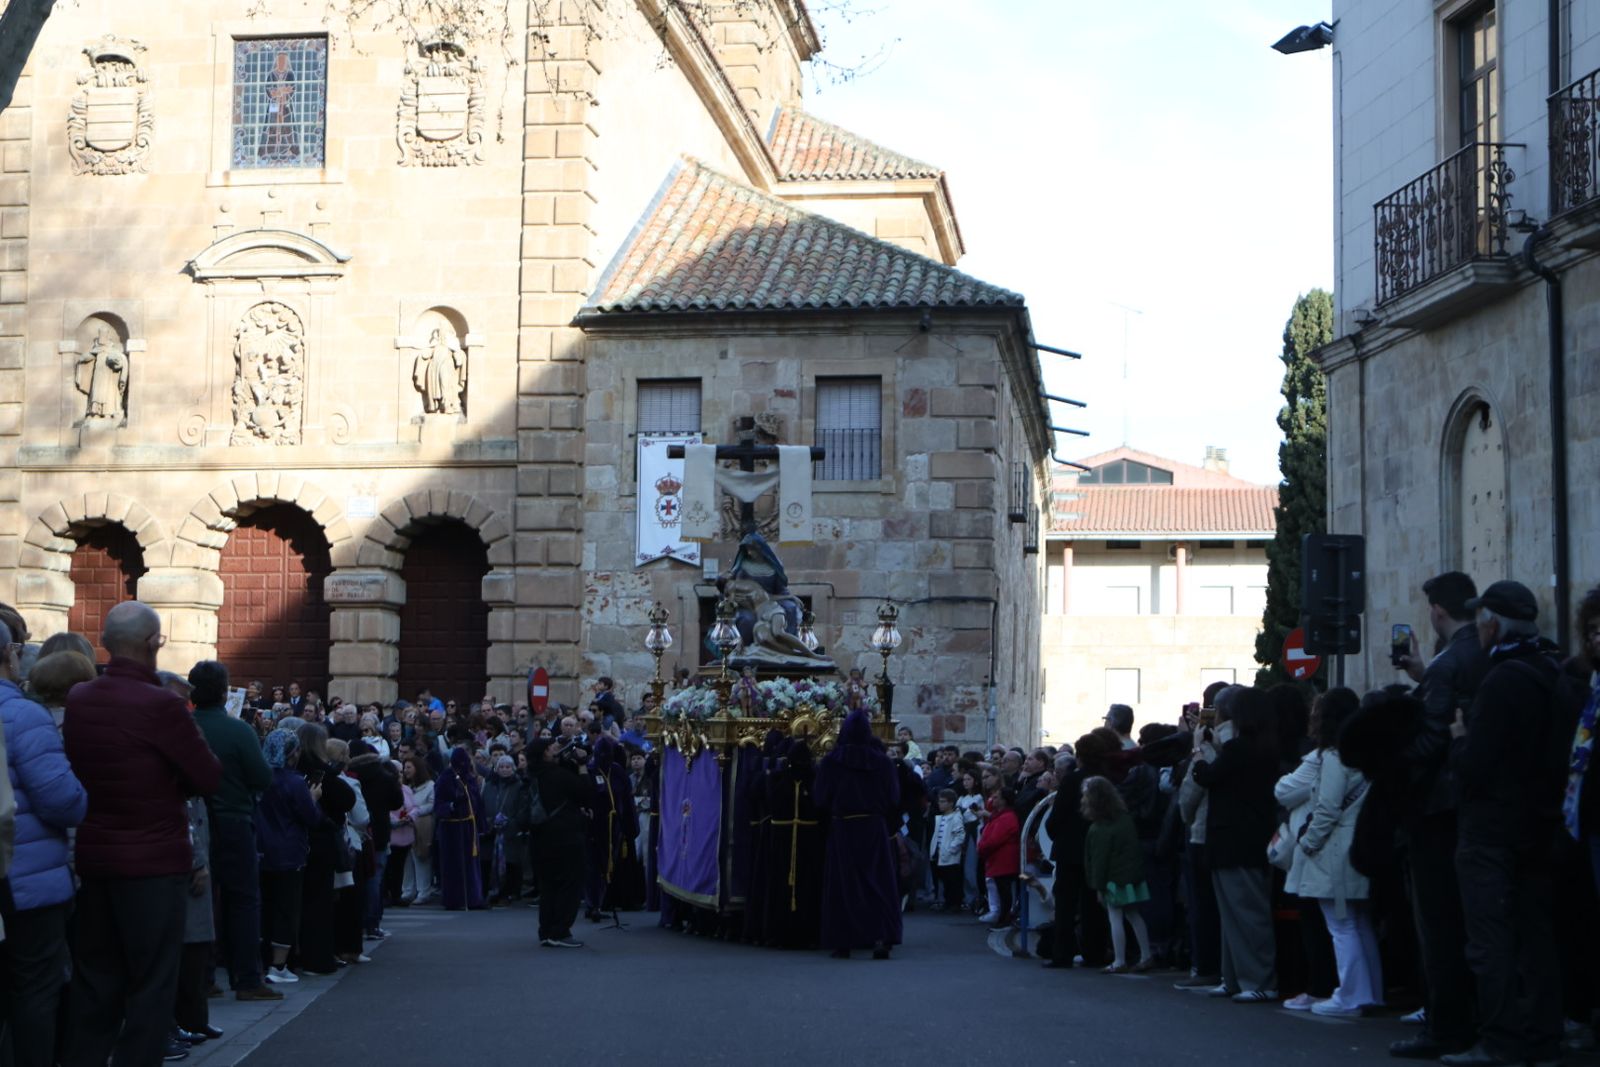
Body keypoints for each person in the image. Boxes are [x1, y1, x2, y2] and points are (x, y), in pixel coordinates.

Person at [61, 602, 222, 1067]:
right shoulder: (162, 705)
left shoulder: (80, 699)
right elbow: (208, 776)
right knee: (152, 984)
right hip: (153, 862)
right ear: (154, 643)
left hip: (96, 857)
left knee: (95, 980)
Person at [1444, 580, 1573, 1067]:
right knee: (1537, 937)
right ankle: (1543, 1040)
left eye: (1482, 621)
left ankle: (1500, 1041)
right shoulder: (1550, 670)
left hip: (1492, 830)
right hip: (1539, 825)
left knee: (1491, 939)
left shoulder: (1501, 681)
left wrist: (1459, 738)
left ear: (1493, 626)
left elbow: (1476, 763)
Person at [1389, 570, 1489, 1060]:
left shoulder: (1449, 663)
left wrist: (1391, 762)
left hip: (1436, 808)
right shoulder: (1485, 654)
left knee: (1438, 924)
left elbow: (1430, 737)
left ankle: (1445, 1026)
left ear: (1437, 611)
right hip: (1475, 804)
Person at [0, 620, 87, 1067]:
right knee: (35, 987)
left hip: (21, 875)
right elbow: (62, 801)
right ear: (9, 655)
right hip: (25, 880)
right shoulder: (23, 715)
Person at [188, 660, 277, 1002]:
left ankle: (204, 976)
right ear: (224, 694)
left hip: (193, 823)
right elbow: (262, 777)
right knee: (243, 901)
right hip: (234, 821)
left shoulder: (184, 726)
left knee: (202, 900)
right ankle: (247, 978)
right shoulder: (238, 731)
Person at [1290, 688, 1381, 1018]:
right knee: (1359, 923)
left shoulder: (1333, 756)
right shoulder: (1367, 753)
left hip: (1334, 851)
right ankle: (1370, 992)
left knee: (1341, 925)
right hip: (1359, 844)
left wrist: (1307, 843)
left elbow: (1327, 808)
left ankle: (1350, 996)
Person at [1191, 685, 1279, 1003]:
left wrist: (1199, 750)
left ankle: (1259, 979)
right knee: (1233, 913)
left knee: (1245, 912)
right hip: (1239, 838)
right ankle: (1234, 977)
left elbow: (1207, 775)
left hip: (1236, 840)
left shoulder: (1241, 748)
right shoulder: (1258, 748)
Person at [813, 708, 901, 959]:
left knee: (844, 885)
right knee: (878, 882)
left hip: (844, 827)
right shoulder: (882, 762)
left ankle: (843, 941)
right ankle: (881, 937)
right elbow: (893, 797)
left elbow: (821, 798)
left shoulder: (832, 761)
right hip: (873, 827)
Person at [255, 729, 321, 984]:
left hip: (260, 848)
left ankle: (261, 960)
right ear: (292, 752)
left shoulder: (258, 778)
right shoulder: (295, 782)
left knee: (264, 906)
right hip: (288, 850)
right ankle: (278, 964)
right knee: (286, 908)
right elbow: (311, 817)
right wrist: (313, 798)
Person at [1081, 775, 1153, 973]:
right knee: (1133, 915)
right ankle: (1146, 955)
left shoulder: (1098, 828)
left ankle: (1119, 960)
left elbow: (1099, 860)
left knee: (1115, 918)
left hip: (1112, 879)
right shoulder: (1124, 819)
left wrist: (1098, 885)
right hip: (1129, 876)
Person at [530, 737, 593, 948]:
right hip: (565, 836)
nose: (555, 749)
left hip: (540, 837)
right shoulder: (557, 775)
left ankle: (546, 930)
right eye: (551, 748)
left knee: (548, 885)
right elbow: (585, 792)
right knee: (569, 883)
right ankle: (561, 931)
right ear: (545, 753)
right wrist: (582, 765)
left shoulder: (533, 774)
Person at [433, 747, 485, 911]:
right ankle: (454, 899)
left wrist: (481, 824)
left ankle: (473, 897)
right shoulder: (445, 779)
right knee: (453, 864)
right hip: (451, 828)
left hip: (469, 826)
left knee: (471, 863)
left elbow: (478, 802)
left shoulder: (469, 778)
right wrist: (452, 805)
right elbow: (438, 805)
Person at [977, 788, 1021, 931]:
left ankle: (1005, 919)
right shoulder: (1000, 816)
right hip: (998, 859)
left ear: (1004, 800)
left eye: (996, 797)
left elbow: (994, 839)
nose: (992, 800)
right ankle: (1003, 918)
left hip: (1003, 859)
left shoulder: (1006, 817)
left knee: (1004, 891)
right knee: (1002, 890)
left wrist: (982, 847)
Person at [399, 756, 435, 905]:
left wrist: (416, 812)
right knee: (407, 859)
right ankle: (408, 890)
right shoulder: (404, 787)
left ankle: (423, 891)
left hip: (422, 826)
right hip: (405, 826)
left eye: (409, 767)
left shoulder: (430, 786)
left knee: (421, 857)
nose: (405, 770)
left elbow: (431, 804)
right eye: (404, 767)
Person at [929, 789, 964, 911]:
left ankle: (954, 903)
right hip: (940, 854)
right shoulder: (940, 818)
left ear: (951, 803)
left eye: (943, 801)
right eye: (939, 801)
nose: (940, 804)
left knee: (952, 880)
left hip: (950, 855)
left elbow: (960, 835)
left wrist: (951, 849)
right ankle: (947, 902)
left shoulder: (956, 817)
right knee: (944, 879)